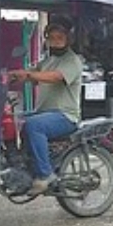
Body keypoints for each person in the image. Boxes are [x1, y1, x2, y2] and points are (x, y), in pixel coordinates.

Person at [8, 17, 84, 195]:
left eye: (60, 37)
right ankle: (23, 167)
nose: (56, 41)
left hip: (65, 116)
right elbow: (33, 74)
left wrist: (29, 74)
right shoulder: (47, 61)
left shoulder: (72, 61)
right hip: (46, 113)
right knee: (15, 122)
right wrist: (12, 77)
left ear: (67, 39)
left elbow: (55, 77)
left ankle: (45, 174)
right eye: (52, 38)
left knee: (34, 125)